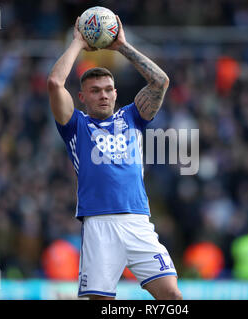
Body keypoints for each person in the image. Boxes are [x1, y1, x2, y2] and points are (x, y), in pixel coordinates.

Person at [47, 15, 182, 300]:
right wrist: (77, 44)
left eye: (108, 90)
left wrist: (121, 46)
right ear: (82, 97)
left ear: (116, 92)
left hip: (137, 221)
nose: (103, 96)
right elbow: (55, 84)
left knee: (172, 295)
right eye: (95, 91)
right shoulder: (76, 127)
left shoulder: (132, 116)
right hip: (99, 224)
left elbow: (161, 81)